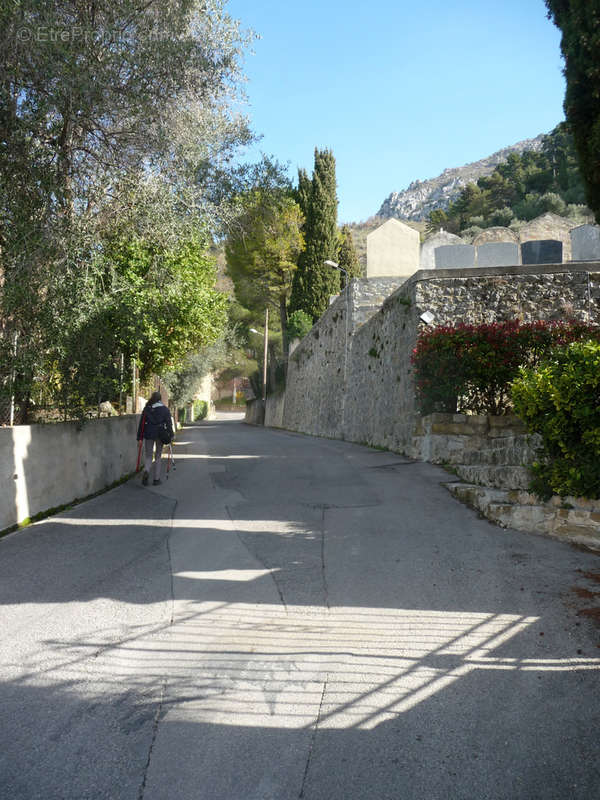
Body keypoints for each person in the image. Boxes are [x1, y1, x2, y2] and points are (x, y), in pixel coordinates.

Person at [136, 391, 174, 486]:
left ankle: (146, 470)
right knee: (158, 456)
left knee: (149, 456)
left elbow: (142, 424)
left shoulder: (147, 409)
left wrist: (139, 438)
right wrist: (171, 435)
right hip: (160, 434)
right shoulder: (165, 409)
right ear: (160, 399)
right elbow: (169, 424)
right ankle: (156, 479)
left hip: (148, 434)